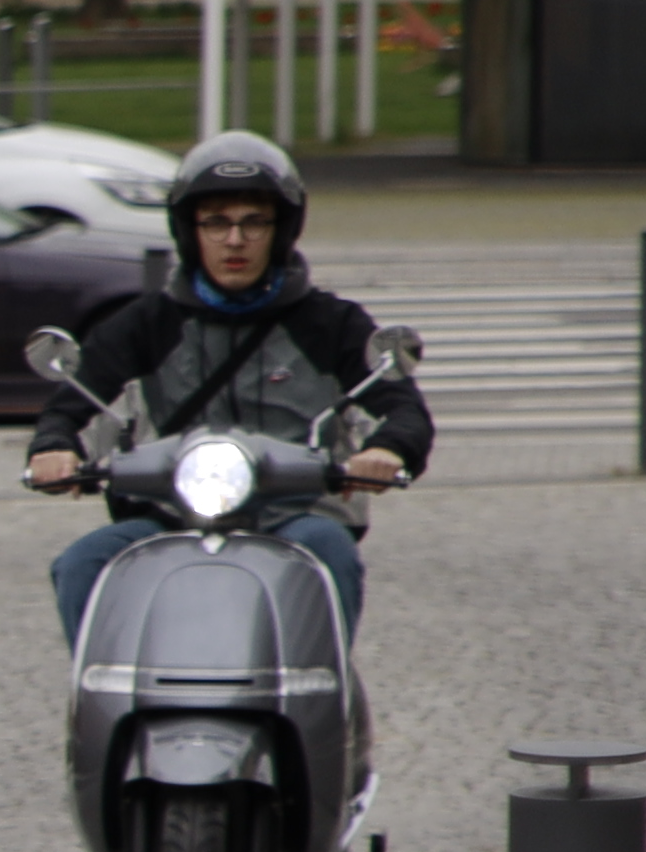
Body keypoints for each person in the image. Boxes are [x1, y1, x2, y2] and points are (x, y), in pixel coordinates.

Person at [25, 129, 426, 640]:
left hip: (294, 514)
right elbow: (68, 405)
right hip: (169, 516)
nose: (234, 240)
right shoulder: (146, 323)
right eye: (215, 223)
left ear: (282, 229)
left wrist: (389, 450)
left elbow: (404, 409)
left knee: (330, 554)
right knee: (81, 564)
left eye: (254, 222)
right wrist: (53, 447)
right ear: (189, 231)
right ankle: (107, 701)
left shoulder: (330, 324)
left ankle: (321, 693)